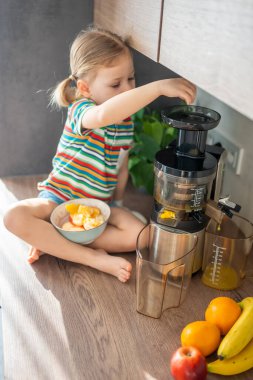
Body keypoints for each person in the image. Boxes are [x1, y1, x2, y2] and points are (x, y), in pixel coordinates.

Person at [4, 27, 196, 282]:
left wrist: (116, 206)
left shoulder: (125, 124)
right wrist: (158, 88)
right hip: (59, 200)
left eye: (131, 78)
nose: (127, 89)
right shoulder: (82, 111)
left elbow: (121, 167)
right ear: (84, 87)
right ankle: (91, 257)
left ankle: (54, 239)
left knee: (143, 235)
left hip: (98, 208)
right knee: (13, 216)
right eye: (116, 83)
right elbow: (105, 115)